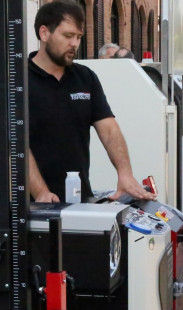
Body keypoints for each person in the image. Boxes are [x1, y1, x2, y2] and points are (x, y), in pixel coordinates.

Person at [28, 1, 155, 203]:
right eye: (68, 36)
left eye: (78, 37)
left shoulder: (85, 77)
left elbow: (109, 130)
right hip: (31, 206)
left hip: (79, 199)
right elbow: (15, 145)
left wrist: (125, 174)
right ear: (44, 33)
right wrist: (41, 192)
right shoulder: (20, 81)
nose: (75, 44)